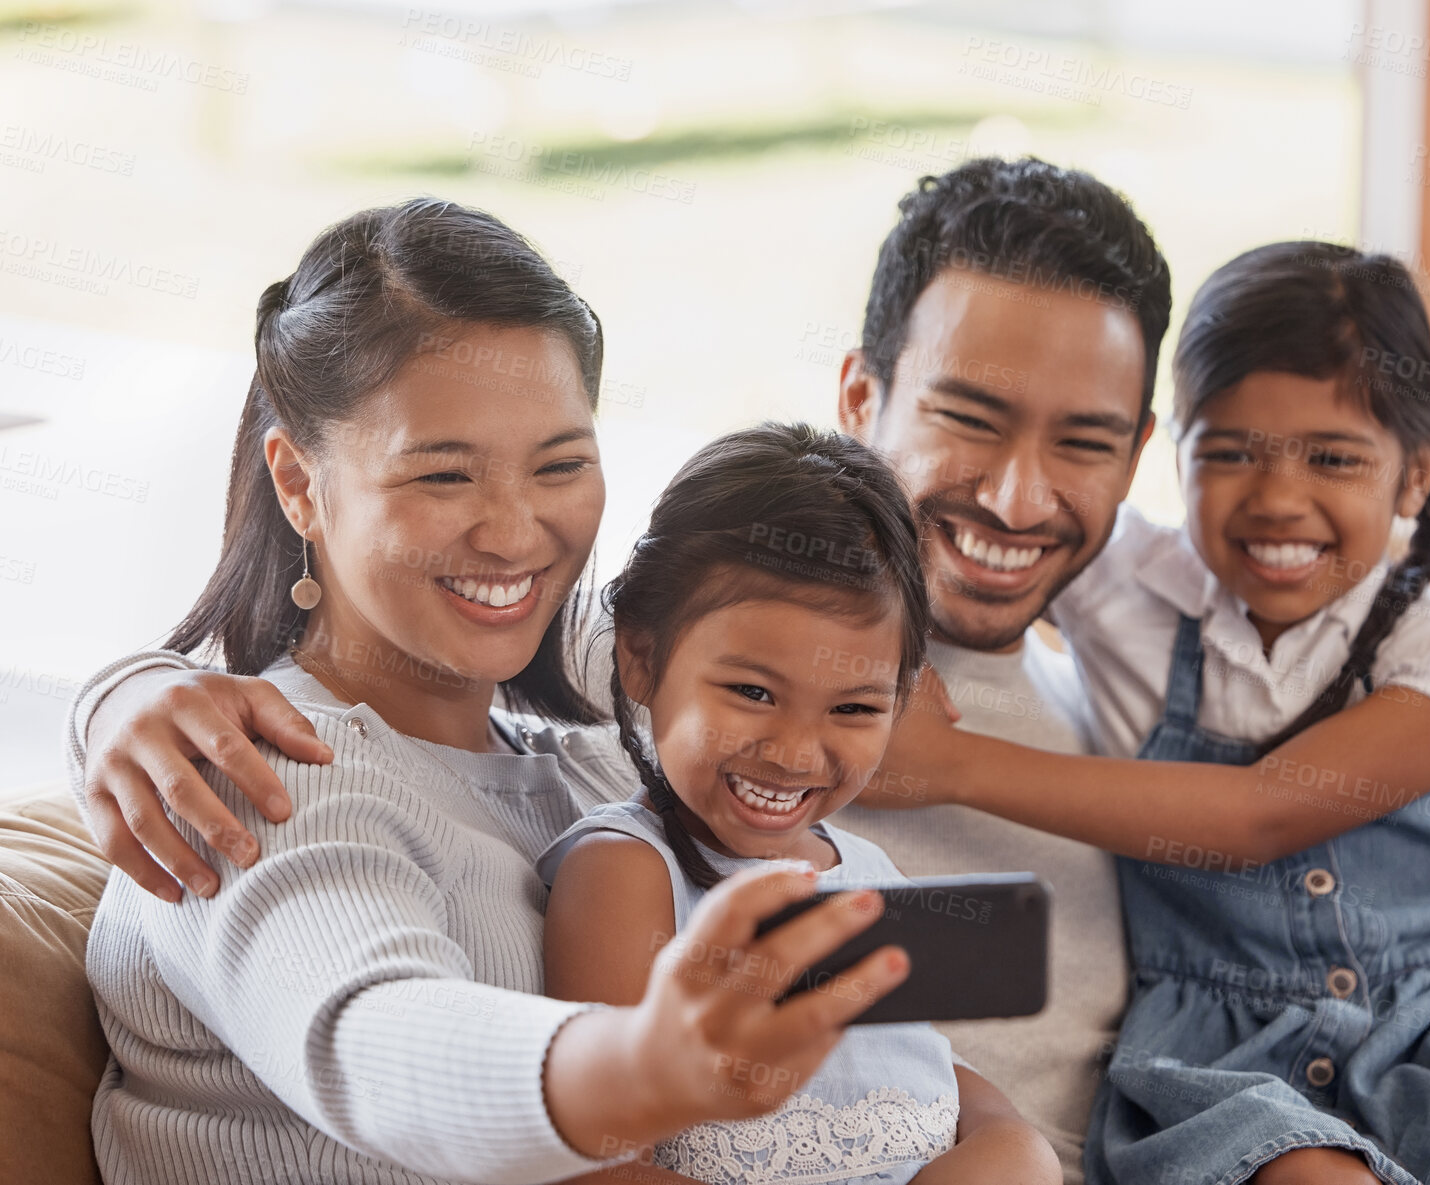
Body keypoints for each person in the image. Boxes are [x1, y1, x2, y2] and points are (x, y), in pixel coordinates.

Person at [65, 160, 1430, 1183]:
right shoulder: (665, 684)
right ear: (858, 396)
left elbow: (948, 985)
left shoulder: (1129, 658)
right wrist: (134, 690)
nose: (1022, 501)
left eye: (1082, 442)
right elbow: (373, 1014)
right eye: (968, 417)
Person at [81, 199, 914, 1185]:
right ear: (300, 484)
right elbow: (379, 1041)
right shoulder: (249, 776)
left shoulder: (602, 764)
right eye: (444, 476)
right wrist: (649, 1067)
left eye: (560, 464)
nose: (516, 536)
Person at [872, 242, 1430, 1184]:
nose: (1277, 499)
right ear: (1168, 456)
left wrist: (949, 764)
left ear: (1414, 478)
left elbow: (1260, 814)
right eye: (1228, 453)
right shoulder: (1136, 592)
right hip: (1214, 1058)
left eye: (1333, 457)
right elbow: (1006, 507)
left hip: (1429, 1028)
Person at [543, 424, 1058, 1185]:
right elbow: (601, 1166)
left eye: (853, 709)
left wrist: (1016, 1146)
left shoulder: (871, 871)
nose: (793, 752)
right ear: (641, 658)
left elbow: (931, 1070)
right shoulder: (626, 872)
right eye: (753, 693)